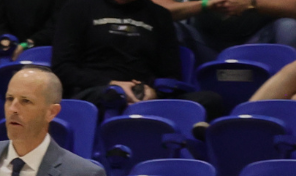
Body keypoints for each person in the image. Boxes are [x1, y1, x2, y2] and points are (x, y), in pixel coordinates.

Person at [52, 0, 228, 120]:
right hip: (95, 91)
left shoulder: (159, 15)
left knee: (210, 100)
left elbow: (171, 74)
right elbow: (63, 68)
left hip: (145, 94)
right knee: (113, 95)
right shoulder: (77, 8)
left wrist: (153, 91)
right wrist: (113, 84)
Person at [158, 0, 296, 64]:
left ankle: (282, 91)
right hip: (203, 44)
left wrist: (252, 4)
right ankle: (172, 91)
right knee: (168, 27)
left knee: (289, 26)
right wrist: (204, 4)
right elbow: (152, 11)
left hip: (260, 42)